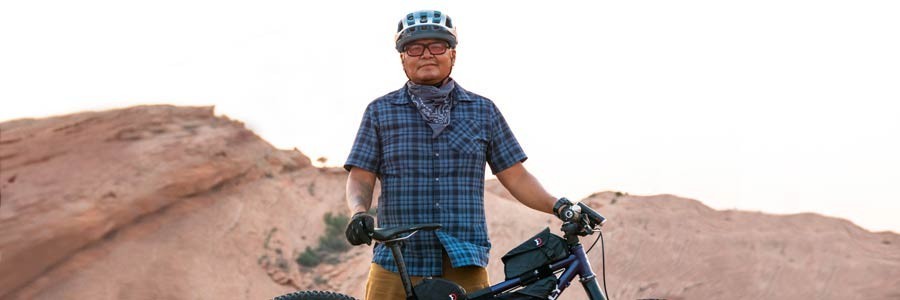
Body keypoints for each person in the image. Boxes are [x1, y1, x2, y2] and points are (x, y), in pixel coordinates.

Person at [343, 10, 575, 300]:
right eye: (415, 47)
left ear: (452, 54)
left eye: (437, 46)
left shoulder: (483, 111)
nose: (426, 54)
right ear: (403, 57)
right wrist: (358, 213)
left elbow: (516, 176)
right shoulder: (379, 111)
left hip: (463, 260)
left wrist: (561, 206)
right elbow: (361, 176)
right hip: (397, 262)